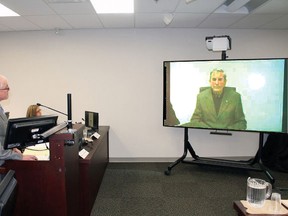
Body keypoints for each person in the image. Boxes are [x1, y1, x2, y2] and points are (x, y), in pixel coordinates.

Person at [182, 69, 247, 130]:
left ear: (225, 82)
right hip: (206, 134)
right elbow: (195, 120)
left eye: (220, 79)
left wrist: (226, 131)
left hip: (227, 135)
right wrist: (207, 130)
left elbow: (241, 123)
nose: (216, 82)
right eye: (214, 79)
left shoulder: (235, 97)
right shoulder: (201, 97)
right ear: (210, 82)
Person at [0, 75, 37, 166]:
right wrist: (19, 157)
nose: (9, 90)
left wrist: (12, 149)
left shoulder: (1, 108)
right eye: (6, 88)